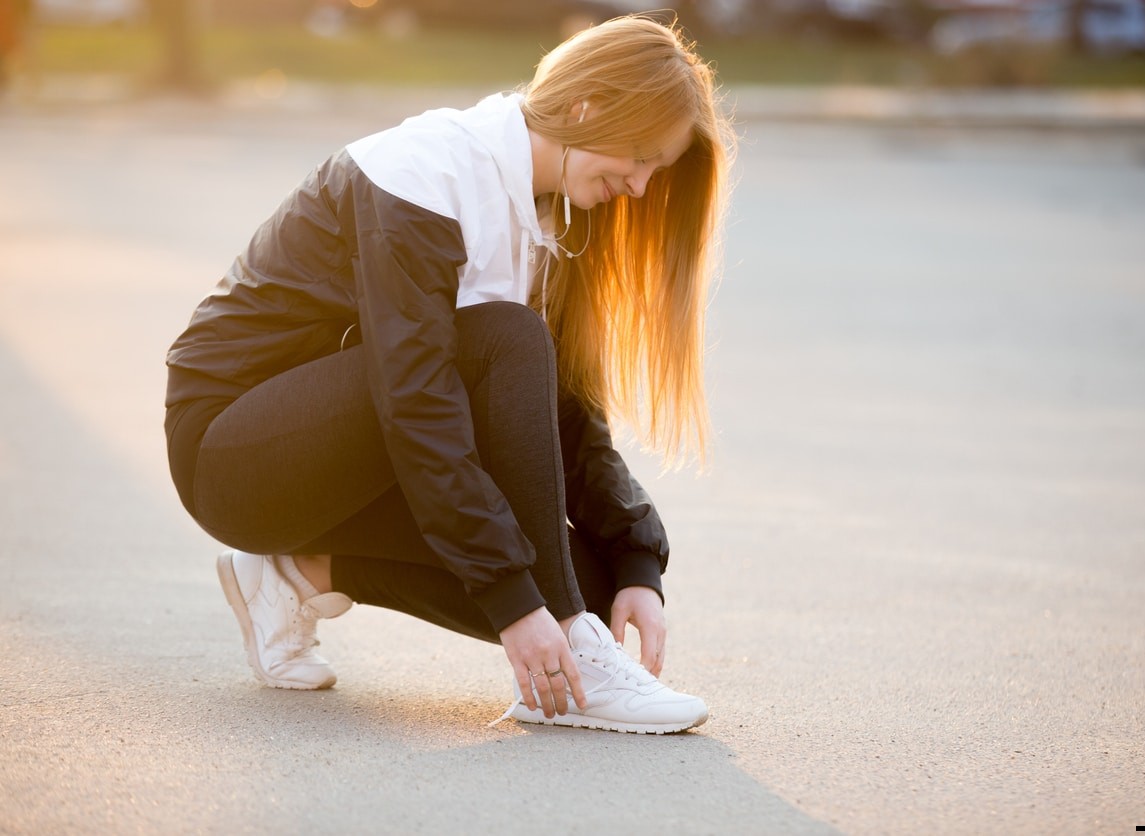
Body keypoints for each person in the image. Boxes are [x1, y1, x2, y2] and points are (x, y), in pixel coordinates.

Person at [163, 15, 734, 735]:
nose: (643, 188)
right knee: (510, 354)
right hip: (234, 451)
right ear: (590, 106)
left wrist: (635, 560)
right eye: (643, 156)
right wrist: (526, 609)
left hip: (350, 460)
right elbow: (419, 405)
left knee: (586, 584)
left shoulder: (549, 216)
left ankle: (291, 577)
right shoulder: (426, 175)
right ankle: (570, 661)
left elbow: (563, 411)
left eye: (660, 170)